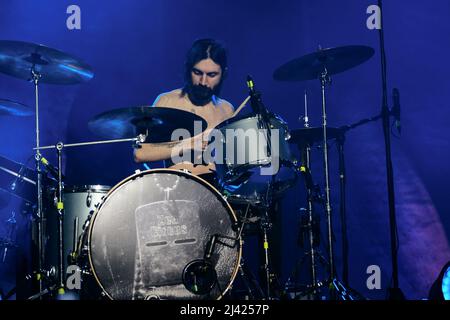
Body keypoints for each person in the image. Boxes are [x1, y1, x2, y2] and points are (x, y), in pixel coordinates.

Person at [133, 39, 234, 184]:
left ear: (223, 74)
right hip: (176, 190)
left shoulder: (227, 110)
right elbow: (140, 153)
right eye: (197, 72)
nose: (203, 82)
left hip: (214, 193)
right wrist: (190, 144)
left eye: (212, 75)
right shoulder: (166, 102)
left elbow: (234, 165)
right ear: (188, 69)